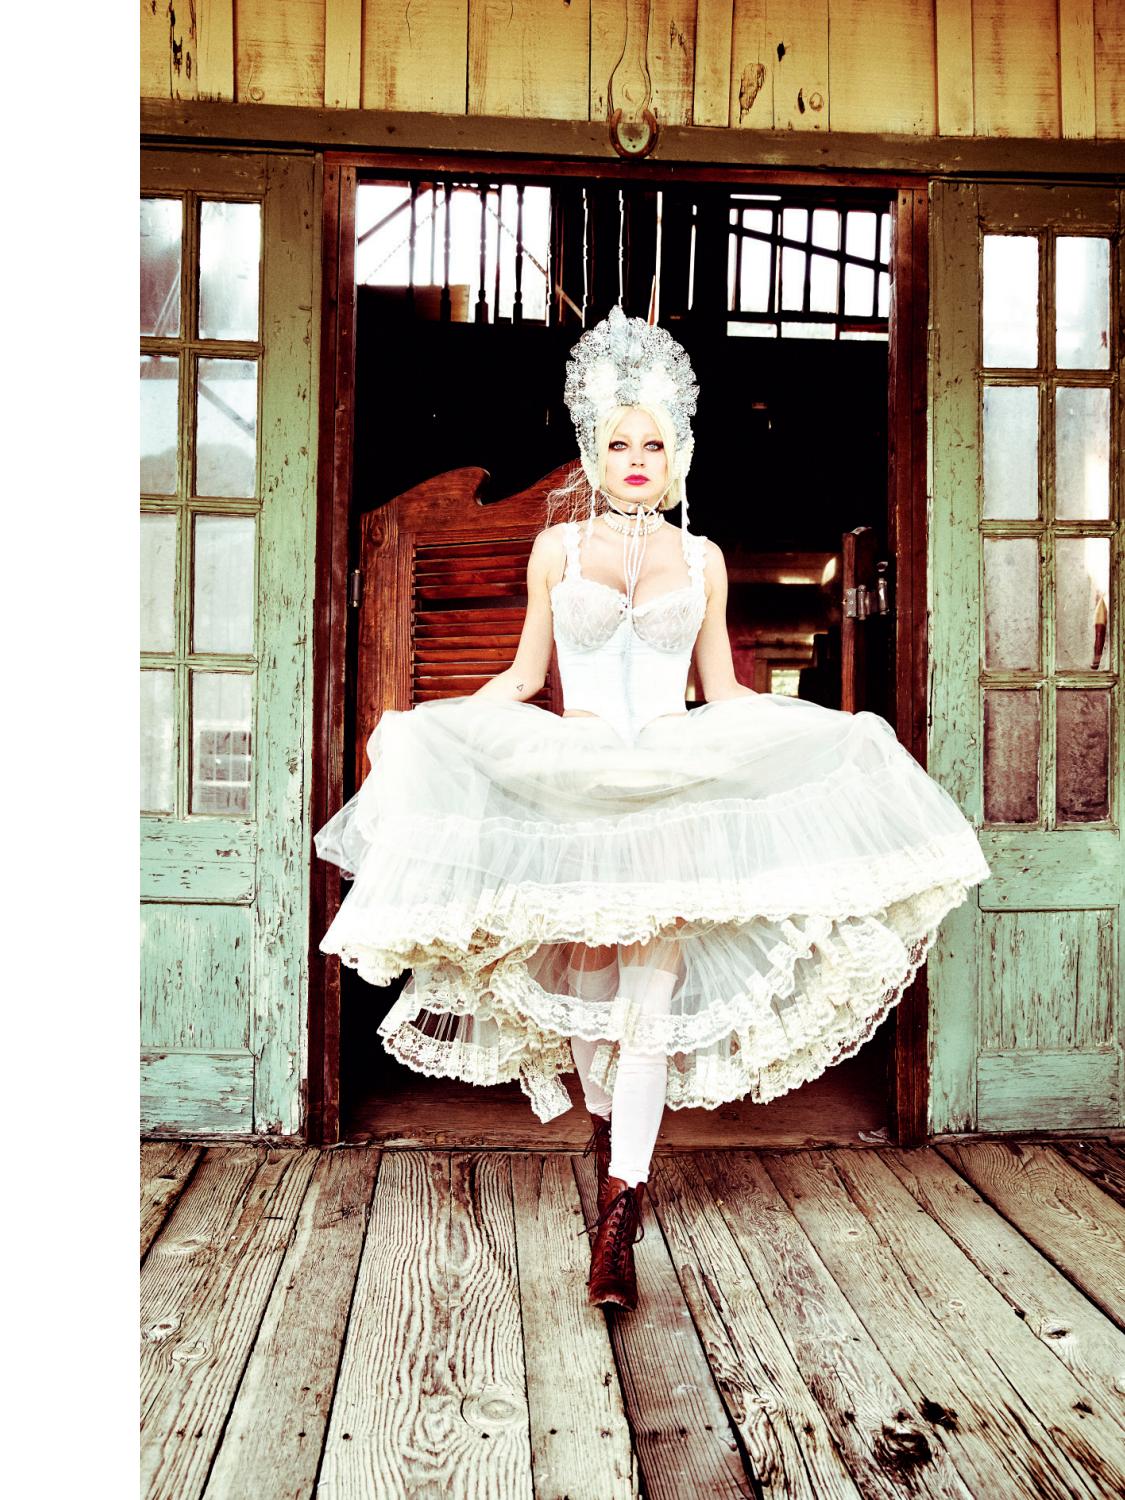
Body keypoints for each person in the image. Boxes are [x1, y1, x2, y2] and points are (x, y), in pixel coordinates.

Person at [313, 304, 991, 1313]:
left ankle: (619, 1211)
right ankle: (611, 1140)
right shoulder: (556, 551)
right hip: (579, 779)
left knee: (648, 1006)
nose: (637, 460)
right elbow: (525, 675)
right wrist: (425, 729)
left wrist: (830, 735)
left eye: (655, 445)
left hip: (674, 783)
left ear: (678, 456)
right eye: (620, 444)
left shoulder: (703, 558)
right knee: (594, 1003)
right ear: (596, 452)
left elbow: (721, 690)